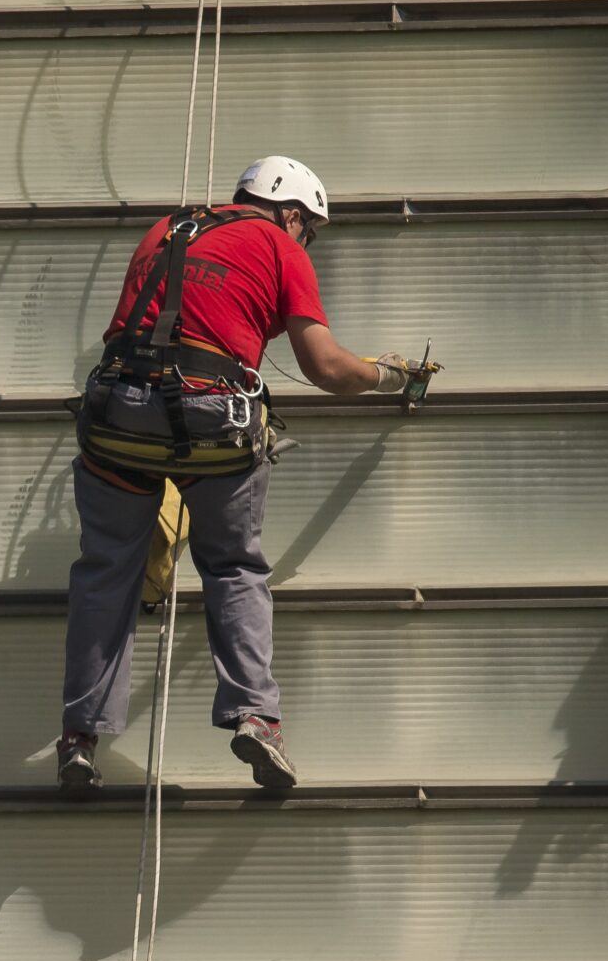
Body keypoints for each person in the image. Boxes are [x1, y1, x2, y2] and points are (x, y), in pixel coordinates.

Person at [56, 155, 433, 795]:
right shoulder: (279, 246)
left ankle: (79, 737)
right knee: (232, 565)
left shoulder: (164, 231)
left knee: (105, 570)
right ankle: (256, 717)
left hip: (117, 415)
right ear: (291, 213)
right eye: (307, 229)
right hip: (210, 421)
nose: (305, 240)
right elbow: (328, 369)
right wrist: (390, 375)